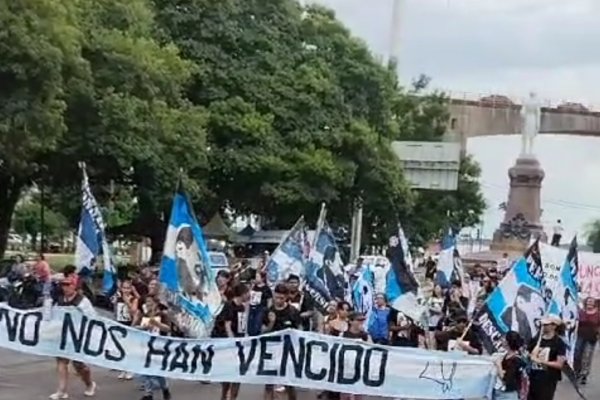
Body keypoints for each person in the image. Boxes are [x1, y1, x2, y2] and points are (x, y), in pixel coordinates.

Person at [50, 275, 97, 399]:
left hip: (78, 337)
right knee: (61, 362)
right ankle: (61, 390)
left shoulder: (82, 300)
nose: (65, 287)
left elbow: (92, 318)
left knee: (79, 366)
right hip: (63, 336)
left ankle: (89, 384)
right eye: (63, 285)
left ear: (74, 286)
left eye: (68, 285)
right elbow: (53, 315)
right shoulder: (59, 299)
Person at [263, 284, 299, 400]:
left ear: (286, 297)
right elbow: (263, 331)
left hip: (287, 352)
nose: (278, 300)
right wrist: (271, 322)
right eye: (276, 297)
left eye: (281, 298)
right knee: (269, 385)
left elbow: (299, 332)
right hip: (271, 351)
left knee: (289, 384)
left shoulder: (293, 312)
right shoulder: (268, 311)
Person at [136, 296, 172, 400]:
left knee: (157, 371)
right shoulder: (143, 315)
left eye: (150, 302)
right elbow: (134, 327)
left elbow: (168, 328)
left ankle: (165, 388)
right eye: (146, 302)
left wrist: (157, 324)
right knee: (145, 370)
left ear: (156, 303)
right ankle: (148, 394)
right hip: (144, 346)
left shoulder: (162, 315)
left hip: (158, 347)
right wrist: (143, 328)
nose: (148, 304)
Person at [220, 283, 250, 400]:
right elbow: (227, 325)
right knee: (227, 375)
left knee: (238, 375)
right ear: (242, 293)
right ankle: (224, 396)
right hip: (229, 345)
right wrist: (232, 341)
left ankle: (233, 397)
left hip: (239, 344)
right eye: (247, 292)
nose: (249, 294)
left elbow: (243, 326)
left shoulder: (242, 307)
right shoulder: (229, 305)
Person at [528, 316, 566, 400]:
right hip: (533, 378)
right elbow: (528, 353)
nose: (543, 326)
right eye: (542, 324)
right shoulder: (536, 339)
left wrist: (541, 361)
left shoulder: (559, 343)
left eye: (546, 324)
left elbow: (559, 364)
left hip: (548, 380)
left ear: (554, 326)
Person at [113, 278, 138, 380]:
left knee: (129, 348)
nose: (126, 290)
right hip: (120, 324)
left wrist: (127, 301)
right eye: (124, 288)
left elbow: (134, 311)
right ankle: (123, 369)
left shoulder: (134, 299)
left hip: (129, 324)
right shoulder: (118, 298)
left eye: (128, 288)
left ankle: (130, 370)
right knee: (121, 348)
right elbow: (115, 309)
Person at [574, 297, 600, 385]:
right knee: (577, 354)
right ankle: (577, 371)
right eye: (588, 301)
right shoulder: (581, 312)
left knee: (587, 356)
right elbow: (575, 321)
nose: (590, 303)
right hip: (580, 336)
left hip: (591, 338)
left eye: (591, 302)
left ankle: (584, 375)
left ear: (594, 304)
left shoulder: (598, 314)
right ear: (586, 303)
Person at [494, 331, 525, 400]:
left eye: (504, 338)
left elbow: (507, 379)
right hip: (500, 391)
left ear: (508, 342)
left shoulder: (516, 360)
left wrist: (499, 365)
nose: (502, 339)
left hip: (508, 395)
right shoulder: (507, 355)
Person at [247, 270, 272, 336]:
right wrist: (251, 287)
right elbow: (247, 296)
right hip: (252, 307)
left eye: (257, 277)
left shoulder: (266, 288)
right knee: (250, 323)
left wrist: (268, 310)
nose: (255, 278)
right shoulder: (253, 287)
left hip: (261, 308)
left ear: (262, 278)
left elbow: (269, 300)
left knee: (257, 324)